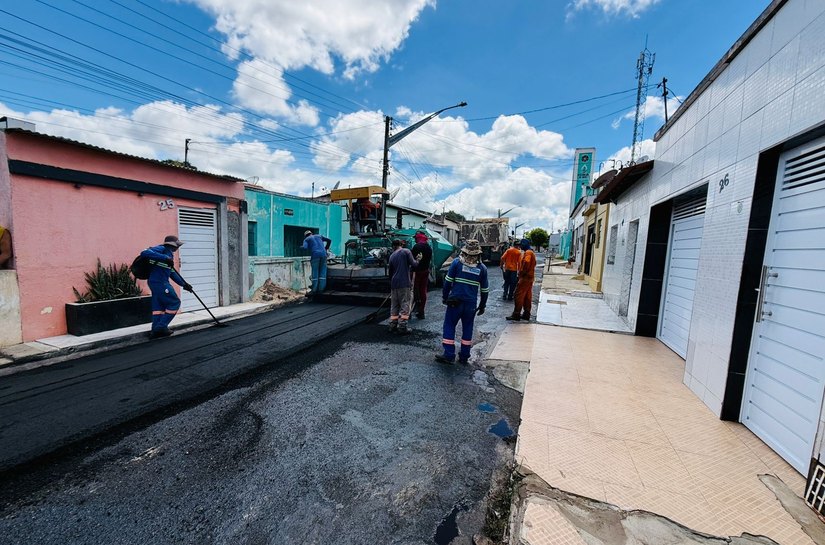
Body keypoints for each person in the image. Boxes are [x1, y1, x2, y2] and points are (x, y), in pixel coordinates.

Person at [436, 239, 489, 365]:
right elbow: (485, 290)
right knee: (468, 328)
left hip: (455, 302)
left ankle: (449, 354)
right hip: (470, 304)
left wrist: (445, 297)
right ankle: (464, 356)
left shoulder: (456, 263)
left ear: (464, 252)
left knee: (449, 325)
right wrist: (482, 306)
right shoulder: (482, 268)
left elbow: (447, 282)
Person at [140, 235, 191, 338]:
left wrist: (184, 284)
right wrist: (165, 258)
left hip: (155, 282)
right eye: (177, 245)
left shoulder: (169, 254)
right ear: (172, 245)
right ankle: (161, 327)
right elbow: (144, 252)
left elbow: (171, 273)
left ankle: (155, 331)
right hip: (160, 283)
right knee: (174, 302)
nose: (178, 247)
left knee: (158, 308)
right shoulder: (162, 249)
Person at [388, 239, 418, 334]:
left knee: (394, 305)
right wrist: (418, 259)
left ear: (393, 246)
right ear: (401, 244)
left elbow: (390, 273)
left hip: (394, 283)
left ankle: (392, 325)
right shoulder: (406, 251)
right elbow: (414, 264)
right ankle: (402, 326)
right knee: (405, 304)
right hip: (404, 282)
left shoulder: (392, 256)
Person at [507, 238, 537, 322]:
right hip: (529, 278)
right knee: (527, 296)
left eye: (521, 244)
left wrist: (522, 273)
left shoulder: (528, 253)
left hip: (525, 278)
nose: (520, 246)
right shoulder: (531, 252)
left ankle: (516, 314)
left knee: (518, 295)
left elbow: (526, 262)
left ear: (524, 244)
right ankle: (526, 314)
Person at [411, 231, 433, 319]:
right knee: (423, 291)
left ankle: (410, 310)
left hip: (416, 272)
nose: (415, 240)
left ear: (418, 238)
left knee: (413, 291)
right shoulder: (429, 248)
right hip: (425, 271)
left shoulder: (416, 247)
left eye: (416, 238)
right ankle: (421, 311)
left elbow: (412, 260)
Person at [302, 230, 332, 296]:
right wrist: (326, 248)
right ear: (311, 233)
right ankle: (321, 289)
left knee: (315, 272)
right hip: (324, 255)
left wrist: (301, 247)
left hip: (315, 256)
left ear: (305, 236)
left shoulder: (306, 239)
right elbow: (329, 240)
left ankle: (314, 290)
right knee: (323, 272)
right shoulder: (319, 236)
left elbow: (305, 247)